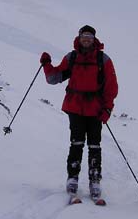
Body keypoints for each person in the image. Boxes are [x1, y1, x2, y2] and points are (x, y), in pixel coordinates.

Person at [40, 25, 118, 200]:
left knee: (94, 145)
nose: (87, 39)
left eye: (90, 36)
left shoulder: (103, 59)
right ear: (79, 37)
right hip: (75, 107)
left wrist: (107, 108)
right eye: (84, 36)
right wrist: (46, 65)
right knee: (76, 143)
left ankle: (95, 180)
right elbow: (54, 78)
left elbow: (111, 87)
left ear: (94, 39)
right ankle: (72, 178)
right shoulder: (72, 57)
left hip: (96, 109)